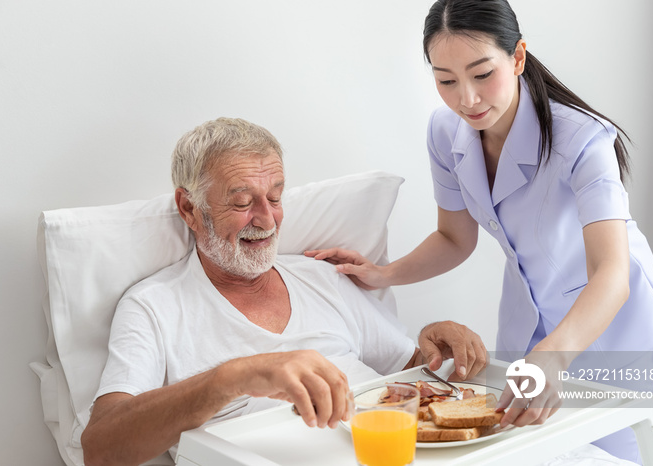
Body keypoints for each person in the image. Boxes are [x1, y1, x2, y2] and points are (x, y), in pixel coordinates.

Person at [305, 0, 653, 463]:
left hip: (610, 319)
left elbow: (611, 273)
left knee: (613, 451)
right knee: (527, 447)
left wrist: (555, 356)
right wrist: (383, 274)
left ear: (517, 57)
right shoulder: (446, 132)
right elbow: (454, 238)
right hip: (531, 316)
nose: (467, 99)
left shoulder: (583, 139)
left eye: (483, 74)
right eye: (446, 80)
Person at [80, 117, 488, 466]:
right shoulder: (154, 306)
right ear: (189, 208)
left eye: (275, 197)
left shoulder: (321, 278)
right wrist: (234, 377)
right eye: (241, 202)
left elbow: (414, 376)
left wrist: (436, 341)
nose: (267, 218)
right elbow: (100, 448)